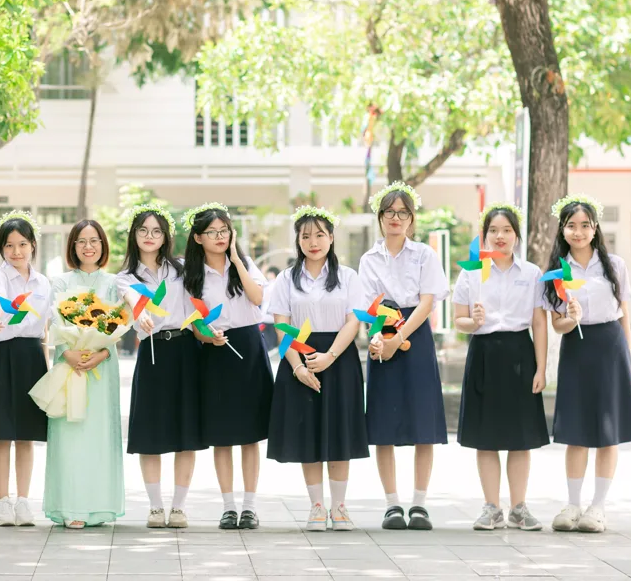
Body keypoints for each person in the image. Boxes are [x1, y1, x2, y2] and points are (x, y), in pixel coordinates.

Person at [266, 207, 368, 532]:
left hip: (339, 358)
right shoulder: (286, 278)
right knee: (307, 432)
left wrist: (330, 356)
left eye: (320, 235)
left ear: (331, 237)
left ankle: (339, 507)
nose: (313, 242)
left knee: (339, 431)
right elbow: (281, 326)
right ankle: (316, 507)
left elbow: (353, 321)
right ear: (297, 240)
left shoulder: (348, 277)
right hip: (299, 358)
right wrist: (297, 367)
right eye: (306, 235)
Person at [545, 194, 631, 534]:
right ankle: (573, 504)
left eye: (585, 225)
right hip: (576, 347)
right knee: (576, 430)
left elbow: (624, 315)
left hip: (610, 347)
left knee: (608, 431)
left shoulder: (614, 265)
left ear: (595, 228)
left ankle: (597, 507)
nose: (579, 232)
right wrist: (571, 318)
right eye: (572, 225)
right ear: (562, 229)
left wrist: (630, 363)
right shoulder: (558, 272)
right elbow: (557, 325)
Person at [358, 181, 449, 531]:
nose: (395, 218)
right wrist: (379, 338)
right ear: (380, 217)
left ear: (412, 219)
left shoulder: (424, 254)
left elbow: (427, 302)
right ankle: (392, 504)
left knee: (424, 423)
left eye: (403, 213)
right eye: (389, 212)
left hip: (416, 334)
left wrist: (399, 338)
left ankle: (420, 504)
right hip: (382, 332)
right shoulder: (368, 259)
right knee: (383, 423)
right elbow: (369, 306)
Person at [453, 204, 549, 532]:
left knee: (521, 437)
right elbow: (459, 319)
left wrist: (541, 368)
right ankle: (491, 507)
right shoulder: (471, 273)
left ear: (516, 236)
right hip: (483, 353)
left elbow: (539, 322)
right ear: (484, 236)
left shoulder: (531, 273)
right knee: (486, 437)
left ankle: (519, 508)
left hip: (520, 352)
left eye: (507, 230)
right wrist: (473, 321)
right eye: (493, 230)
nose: (500, 236)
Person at [183, 203, 272, 530]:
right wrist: (208, 337)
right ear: (198, 238)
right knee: (222, 435)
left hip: (248, 347)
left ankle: (249, 506)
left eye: (224, 231)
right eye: (212, 232)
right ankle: (229, 507)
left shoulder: (244, 264)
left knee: (250, 434)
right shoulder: (192, 275)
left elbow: (258, 298)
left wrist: (236, 259)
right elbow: (194, 323)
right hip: (215, 352)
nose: (220, 237)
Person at [116, 203, 203, 529]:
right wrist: (141, 314)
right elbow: (132, 300)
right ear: (134, 235)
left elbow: (196, 307)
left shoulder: (181, 270)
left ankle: (179, 507)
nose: (149, 236)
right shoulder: (125, 277)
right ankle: (155, 507)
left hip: (185, 350)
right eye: (143, 230)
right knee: (149, 431)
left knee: (186, 432)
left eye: (156, 231)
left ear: (166, 236)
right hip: (152, 351)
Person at [43, 220, 125, 528]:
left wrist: (101, 353)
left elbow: (119, 325)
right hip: (69, 366)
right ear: (73, 246)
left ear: (103, 245)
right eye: (81, 241)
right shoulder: (60, 282)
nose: (88, 247)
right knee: (70, 435)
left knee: (99, 435)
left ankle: (100, 506)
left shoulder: (115, 283)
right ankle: (71, 506)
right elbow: (55, 321)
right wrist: (68, 352)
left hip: (102, 366)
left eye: (94, 241)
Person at [0, 210, 51, 527]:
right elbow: (0, 302)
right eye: (9, 245)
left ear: (33, 244)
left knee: (26, 435)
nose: (16, 251)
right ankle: (2, 501)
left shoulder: (44, 283)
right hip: (1, 354)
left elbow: (46, 328)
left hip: (31, 357)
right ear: (2, 249)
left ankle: (23, 501)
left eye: (22, 244)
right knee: (1, 433)